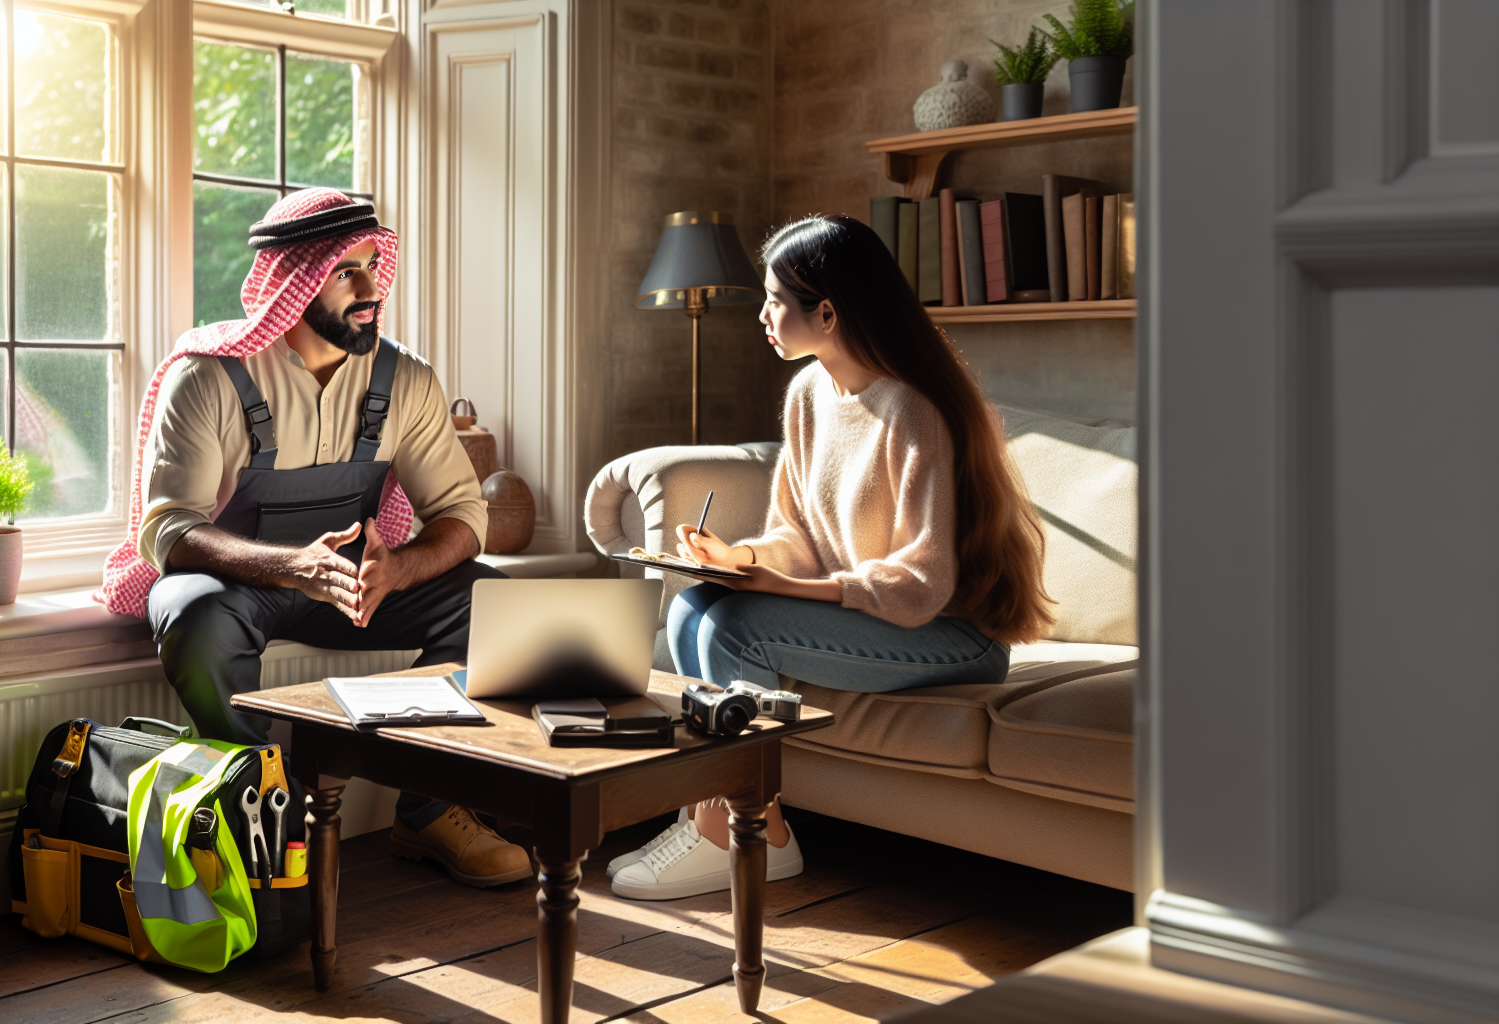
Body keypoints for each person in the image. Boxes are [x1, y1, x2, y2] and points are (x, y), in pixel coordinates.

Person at [608, 214, 1055, 900]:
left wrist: (782, 589)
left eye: (775, 301)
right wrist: (738, 557)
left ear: (827, 310)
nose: (761, 314)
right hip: (877, 616)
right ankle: (735, 825)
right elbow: (799, 538)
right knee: (693, 607)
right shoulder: (808, 395)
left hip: (949, 635)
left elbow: (922, 581)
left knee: (734, 628)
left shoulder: (915, 411)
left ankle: (743, 833)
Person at [99, 188, 528, 888]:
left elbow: (462, 516)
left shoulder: (405, 380)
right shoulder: (209, 378)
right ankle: (264, 811)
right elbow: (170, 529)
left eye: (371, 265)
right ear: (292, 282)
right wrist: (292, 566)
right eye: (344, 271)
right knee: (191, 615)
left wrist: (402, 569)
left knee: (499, 608)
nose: (369, 289)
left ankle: (429, 807)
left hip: (356, 585)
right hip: (241, 587)